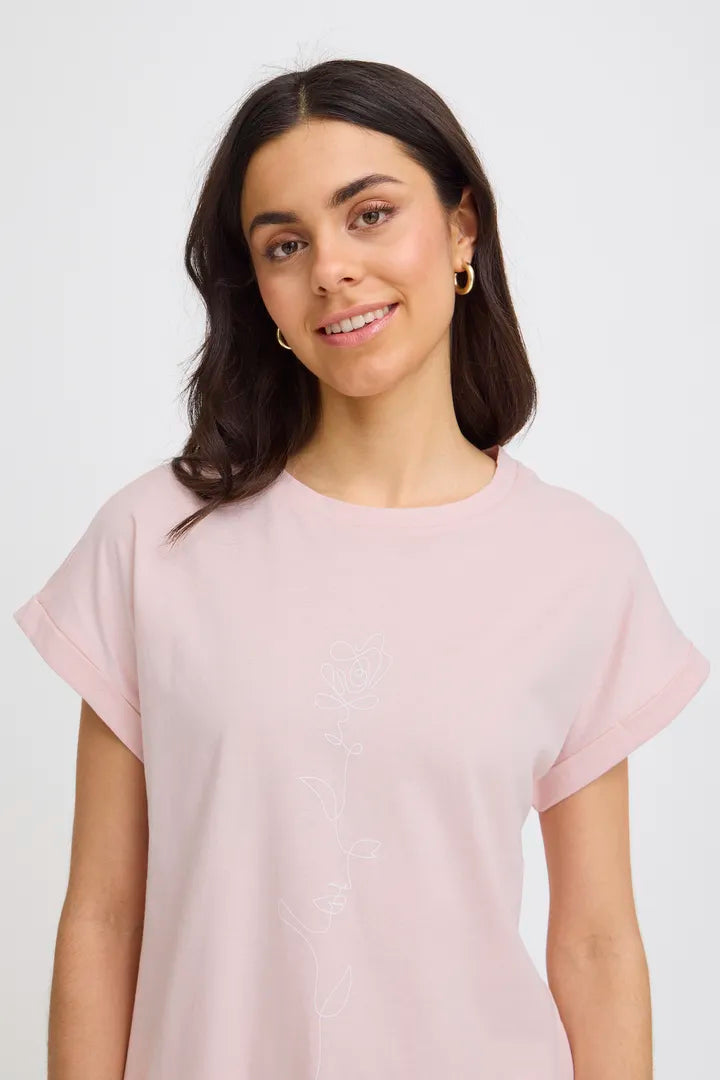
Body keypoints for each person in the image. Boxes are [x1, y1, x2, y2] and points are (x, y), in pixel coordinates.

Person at [13, 58, 710, 1080]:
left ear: (462, 229)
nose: (331, 268)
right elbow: (103, 916)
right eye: (285, 244)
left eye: (370, 215)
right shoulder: (154, 539)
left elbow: (599, 944)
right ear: (260, 291)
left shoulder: (580, 565)